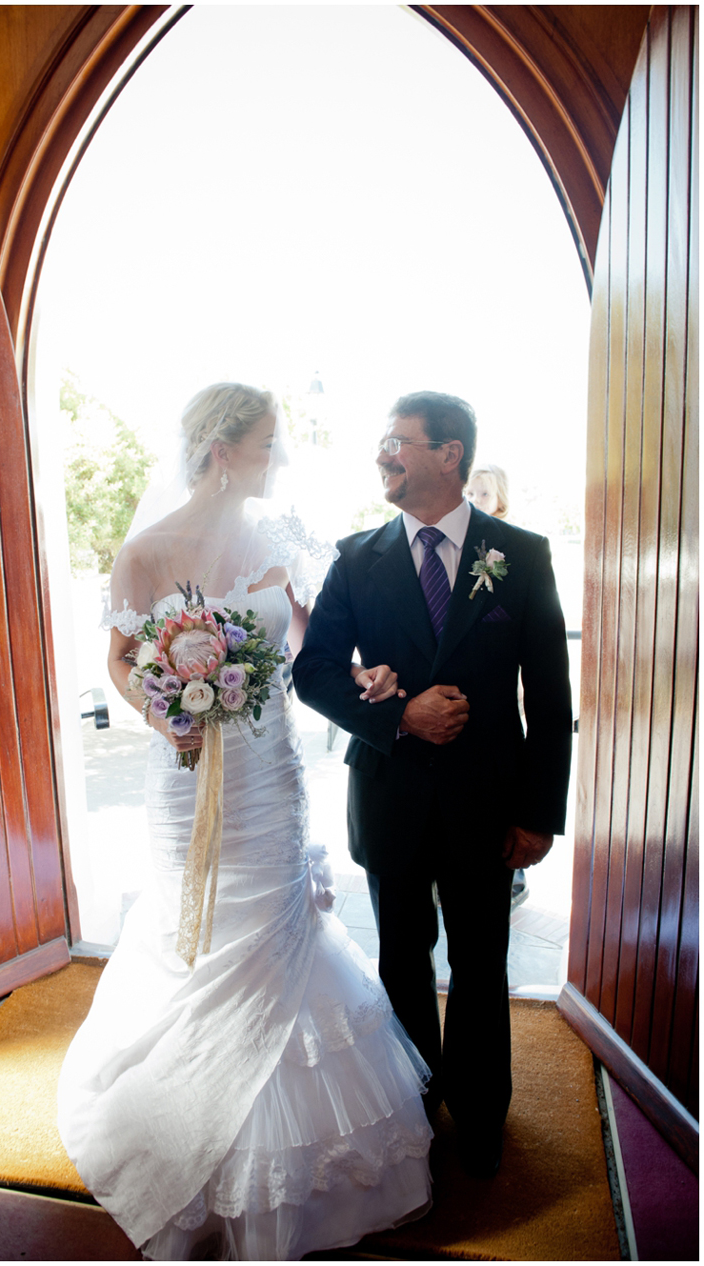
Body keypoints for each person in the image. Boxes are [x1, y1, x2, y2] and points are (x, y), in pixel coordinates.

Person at [57, 383, 434, 1261]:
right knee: (195, 933)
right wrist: (163, 715)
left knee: (276, 929)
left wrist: (366, 677)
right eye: (268, 444)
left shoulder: (280, 541)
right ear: (222, 450)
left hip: (269, 776)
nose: (280, 458)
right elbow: (119, 660)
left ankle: (296, 1164)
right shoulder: (145, 550)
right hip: (187, 774)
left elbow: (307, 646)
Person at [293, 391, 572, 1179]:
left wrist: (539, 813)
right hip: (393, 798)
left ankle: (482, 1115)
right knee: (401, 962)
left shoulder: (520, 555)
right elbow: (314, 673)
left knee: (482, 962)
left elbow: (550, 700)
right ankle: (410, 1104)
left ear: (449, 455)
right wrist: (399, 716)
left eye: (398, 442)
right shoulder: (356, 557)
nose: (383, 455)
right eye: (382, 443)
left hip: (489, 805)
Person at [466, 462, 528, 910]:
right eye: (471, 493)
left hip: (496, 707)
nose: (475, 500)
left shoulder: (517, 552)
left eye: (483, 494)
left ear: (500, 500)